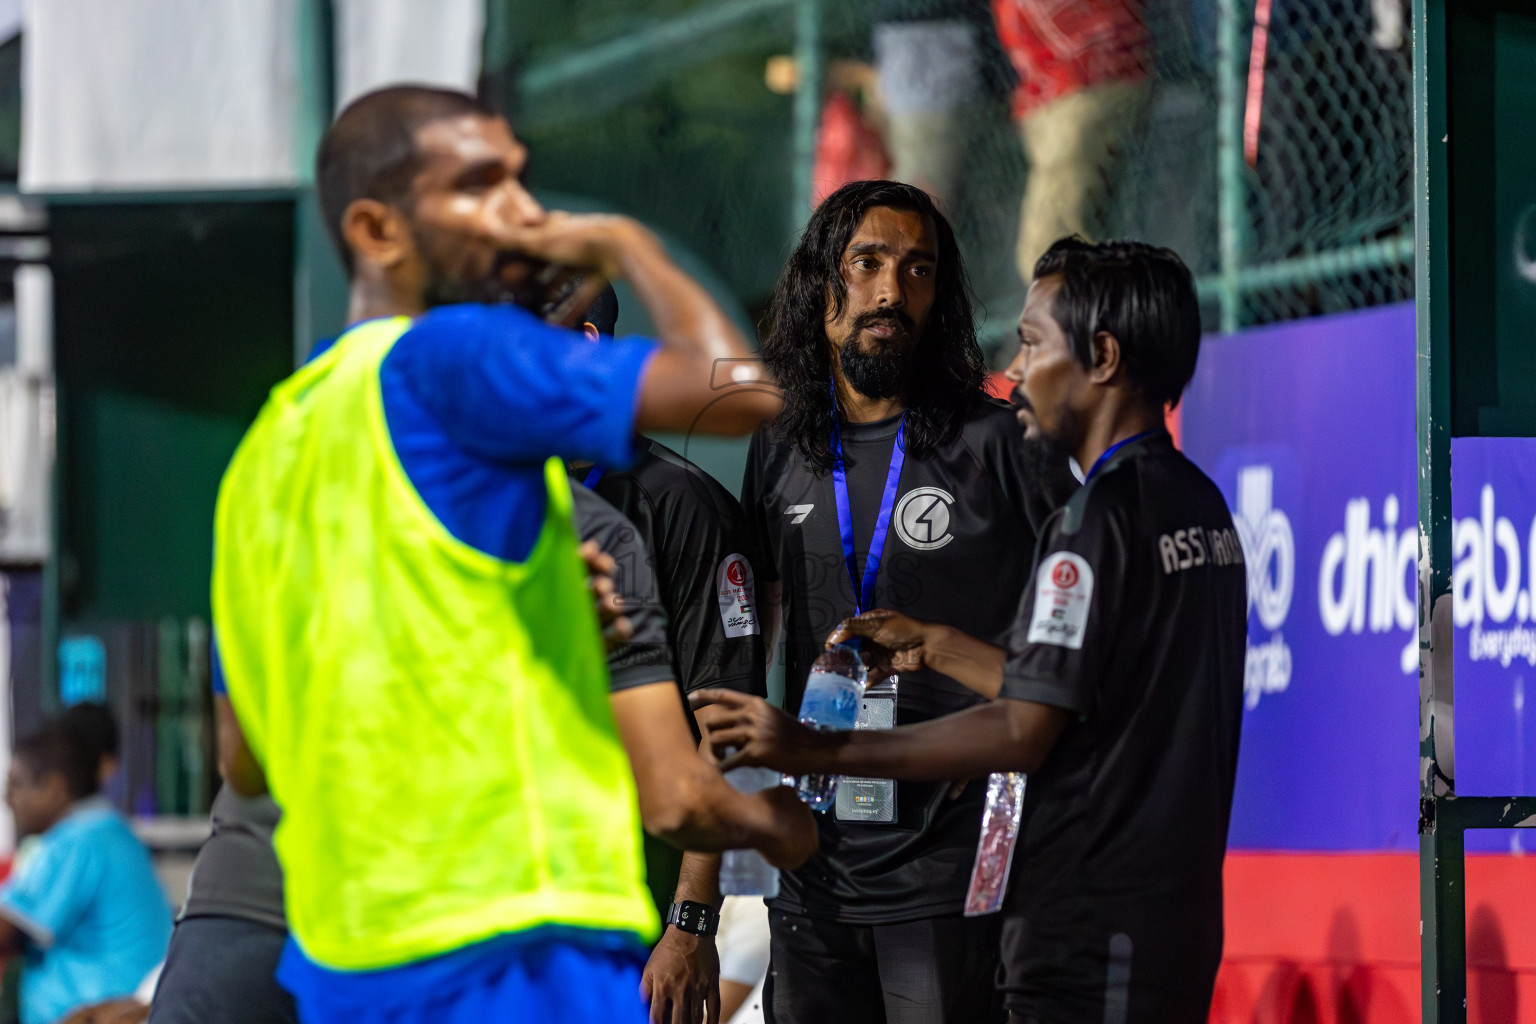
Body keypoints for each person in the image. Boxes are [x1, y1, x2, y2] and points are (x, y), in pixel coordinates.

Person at [208, 85, 813, 1024]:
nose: (523, 212)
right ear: (378, 228)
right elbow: (742, 392)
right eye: (481, 184)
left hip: (350, 962)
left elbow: (245, 759)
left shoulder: (266, 452)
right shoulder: (458, 355)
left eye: (521, 181)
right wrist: (625, 243)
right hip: (518, 954)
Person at [695, 238, 1247, 1022]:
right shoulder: (1197, 503)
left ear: (1101, 355)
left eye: (1030, 343)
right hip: (1170, 915)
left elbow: (1025, 728)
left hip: (1085, 920)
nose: (1015, 374)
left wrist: (818, 748)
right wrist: (941, 646)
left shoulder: (1091, 524)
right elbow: (1083, 698)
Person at [736, 179, 1075, 1024]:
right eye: (869, 264)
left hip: (952, 864)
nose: (892, 290)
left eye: (918, 269)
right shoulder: (778, 447)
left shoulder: (999, 442)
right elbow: (749, 653)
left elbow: (1075, 652)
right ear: (824, 287)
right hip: (811, 863)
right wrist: (706, 895)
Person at [566, 291, 777, 1024]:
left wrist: (690, 927)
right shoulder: (490, 501)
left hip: (639, 918)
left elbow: (722, 735)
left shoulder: (682, 506)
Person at [0, 723, 171, 1024]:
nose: (8, 799)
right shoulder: (110, 829)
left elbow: (7, 927)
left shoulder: (78, 840)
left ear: (53, 787)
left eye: (16, 785)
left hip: (106, 1010)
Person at [992, 0, 1150, 283]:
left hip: (1089, 79)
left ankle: (1079, 321)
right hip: (1051, 86)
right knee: (1061, 248)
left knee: (1048, 250)